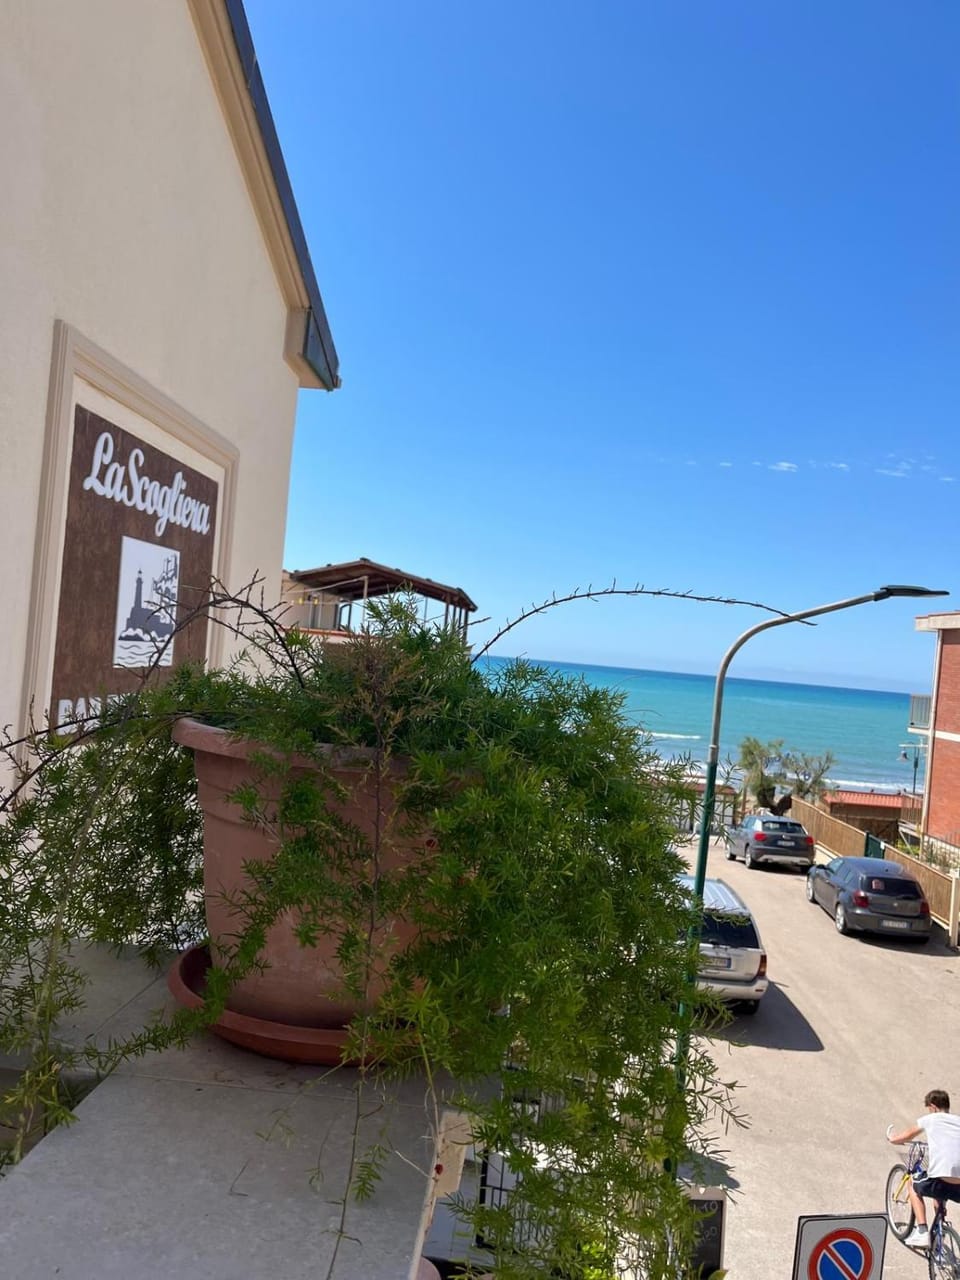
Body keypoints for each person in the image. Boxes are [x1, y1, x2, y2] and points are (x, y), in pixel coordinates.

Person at [888, 1089, 960, 1248]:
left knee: (913, 1181)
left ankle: (921, 1232)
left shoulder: (931, 1119)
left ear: (933, 1107)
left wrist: (893, 1139)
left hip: (940, 1180)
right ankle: (940, 1222)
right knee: (942, 1185)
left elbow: (907, 1135)